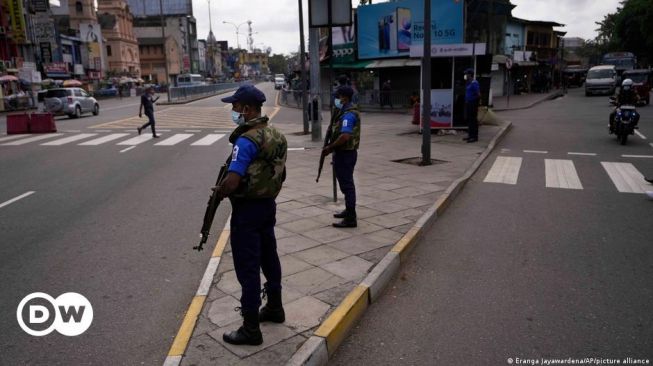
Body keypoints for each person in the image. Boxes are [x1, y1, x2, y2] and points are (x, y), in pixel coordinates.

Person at [215, 85, 288, 346]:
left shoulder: (245, 140)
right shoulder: (276, 135)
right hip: (268, 205)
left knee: (247, 267)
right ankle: (275, 308)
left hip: (246, 212)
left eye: (235, 107)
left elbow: (233, 179)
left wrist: (221, 191)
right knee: (269, 256)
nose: (233, 111)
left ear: (246, 109)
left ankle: (250, 328)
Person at [322, 86, 360, 228]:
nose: (336, 99)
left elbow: (345, 136)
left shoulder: (348, 115)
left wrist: (330, 147)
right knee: (345, 185)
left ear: (345, 97)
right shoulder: (343, 111)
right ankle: (349, 211)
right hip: (344, 154)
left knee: (347, 186)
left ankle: (351, 218)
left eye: (338, 96)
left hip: (346, 154)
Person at [463, 68, 481, 143]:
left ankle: (474, 137)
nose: (465, 75)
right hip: (468, 103)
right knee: (470, 120)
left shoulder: (474, 83)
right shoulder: (469, 83)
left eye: (466, 74)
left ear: (470, 75)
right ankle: (470, 135)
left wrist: (475, 103)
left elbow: (478, 94)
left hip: (473, 104)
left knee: (473, 120)